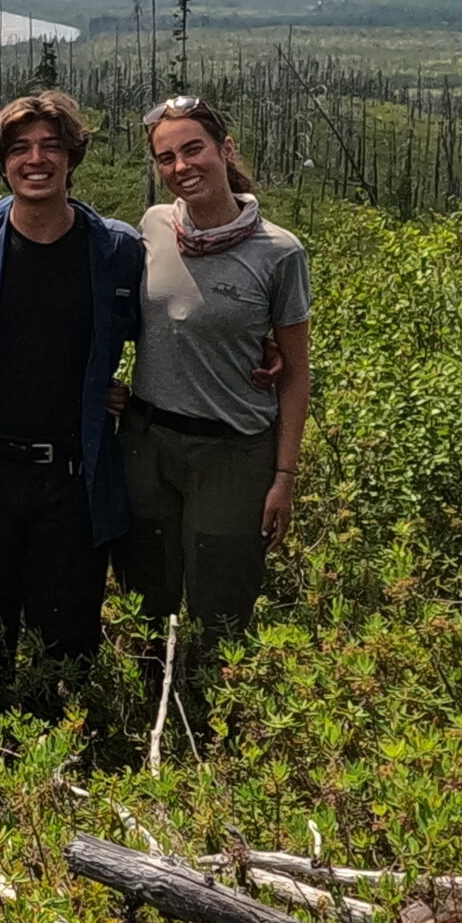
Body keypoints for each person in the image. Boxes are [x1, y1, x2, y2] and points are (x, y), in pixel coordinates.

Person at [0, 92, 143, 719]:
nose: (36, 160)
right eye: (20, 149)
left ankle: (63, 773)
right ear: (1, 162)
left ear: (72, 156)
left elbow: (165, 326)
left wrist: (256, 346)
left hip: (73, 479)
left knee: (72, 644)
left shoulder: (117, 248)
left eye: (50, 147)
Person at [118, 94, 311, 733]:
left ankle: (213, 724)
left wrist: (283, 476)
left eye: (192, 148)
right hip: (146, 438)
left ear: (226, 150)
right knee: (148, 586)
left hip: (234, 449)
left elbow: (295, 371)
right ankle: (151, 710)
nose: (180, 165)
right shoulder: (151, 226)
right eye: (166, 156)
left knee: (221, 595)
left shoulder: (279, 253)